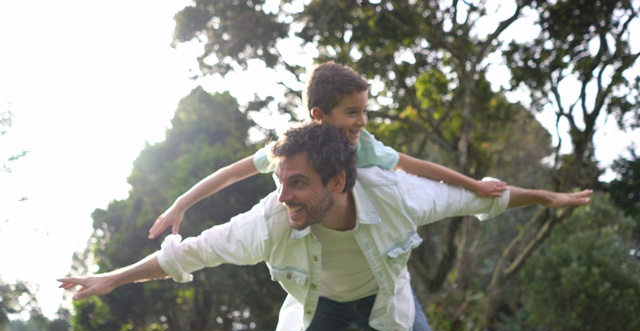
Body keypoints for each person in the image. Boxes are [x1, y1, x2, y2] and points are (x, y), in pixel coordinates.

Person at [59, 123, 592, 331]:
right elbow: (188, 251)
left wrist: (547, 197)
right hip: (316, 310)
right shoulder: (267, 220)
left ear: (336, 182)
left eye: (298, 184)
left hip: (386, 304)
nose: (284, 196)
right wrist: (113, 277)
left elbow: (485, 199)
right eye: (279, 181)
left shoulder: (399, 197)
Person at [147, 61, 507, 239]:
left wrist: (475, 186)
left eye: (364, 111)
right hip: (300, 227)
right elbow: (232, 172)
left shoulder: (363, 145)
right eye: (353, 112)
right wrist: (182, 203)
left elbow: (416, 166)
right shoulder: (292, 147)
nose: (362, 121)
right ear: (319, 116)